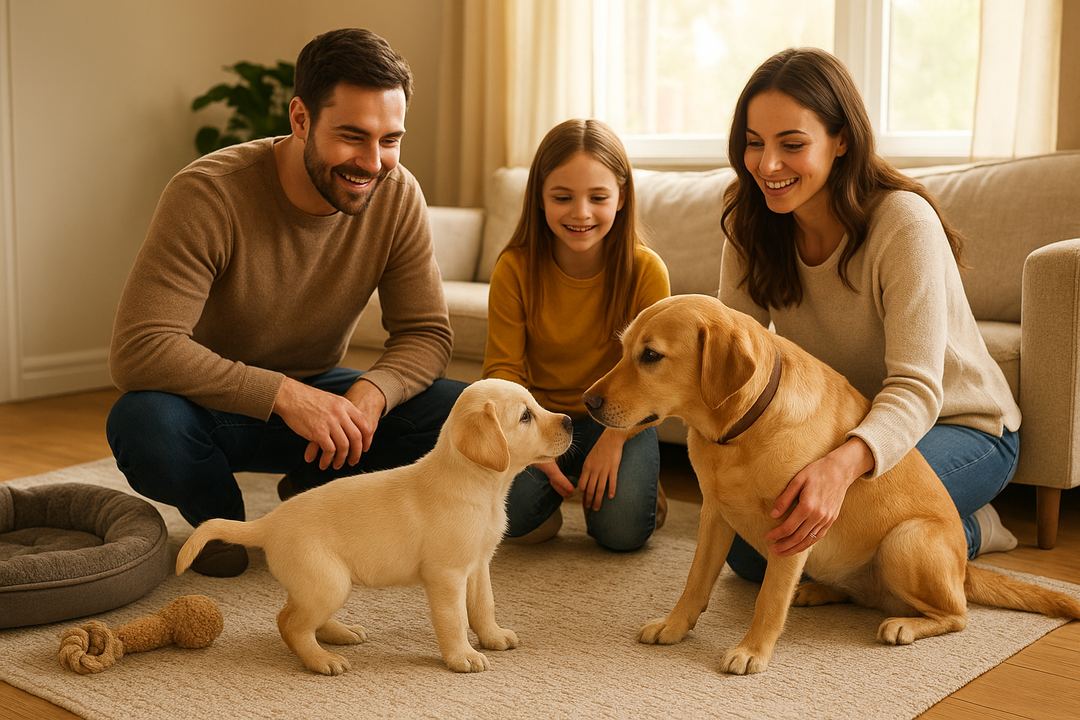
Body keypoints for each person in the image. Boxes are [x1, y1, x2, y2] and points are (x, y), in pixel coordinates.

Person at [106, 28, 466, 577]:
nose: (373, 162)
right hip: (211, 409)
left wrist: (370, 397)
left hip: (327, 404)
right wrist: (284, 396)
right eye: (352, 136)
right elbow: (140, 348)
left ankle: (316, 487)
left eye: (390, 139)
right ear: (300, 119)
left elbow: (426, 334)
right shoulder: (208, 193)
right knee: (144, 424)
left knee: (452, 411)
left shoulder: (397, 195)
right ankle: (221, 525)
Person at [718, 47, 1022, 583]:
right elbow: (725, 349)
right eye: (754, 143)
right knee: (752, 553)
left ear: (842, 141)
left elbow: (914, 387)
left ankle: (966, 532)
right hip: (843, 424)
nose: (768, 165)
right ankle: (923, 534)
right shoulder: (751, 223)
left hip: (959, 425)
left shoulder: (902, 222)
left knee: (810, 528)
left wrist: (839, 468)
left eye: (792, 144)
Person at [482, 119, 671, 552]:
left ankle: (639, 487)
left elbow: (657, 381)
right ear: (540, 199)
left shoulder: (646, 271)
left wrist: (615, 439)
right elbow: (503, 372)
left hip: (619, 417)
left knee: (622, 533)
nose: (581, 212)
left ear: (621, 198)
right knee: (511, 521)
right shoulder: (514, 268)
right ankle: (559, 495)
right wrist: (533, 444)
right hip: (541, 418)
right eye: (562, 197)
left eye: (598, 197)